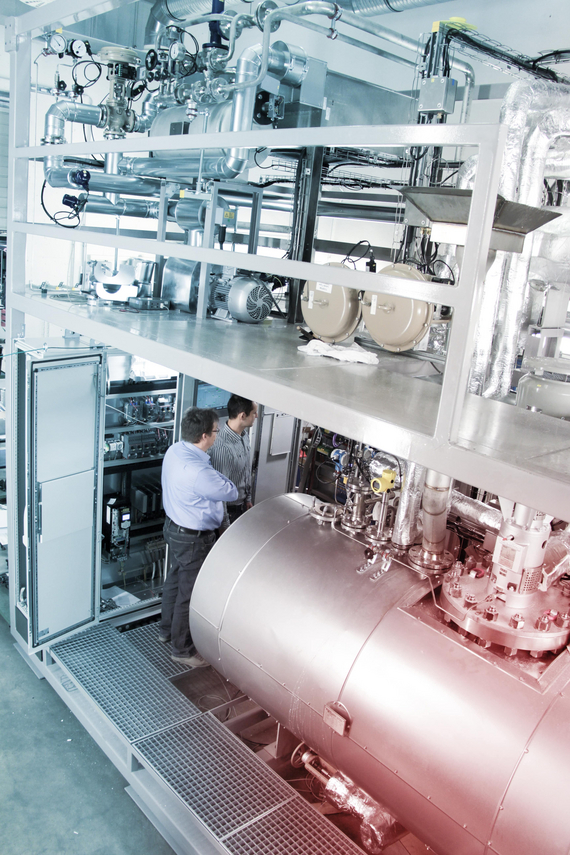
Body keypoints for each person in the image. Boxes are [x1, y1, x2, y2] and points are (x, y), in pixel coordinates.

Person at [160, 406, 238, 667]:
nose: (217, 436)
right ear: (204, 436)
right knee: (189, 592)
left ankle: (166, 630)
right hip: (193, 538)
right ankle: (182, 650)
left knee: (174, 579)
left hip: (173, 529)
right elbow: (231, 492)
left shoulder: (175, 451)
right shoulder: (200, 473)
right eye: (216, 432)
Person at [209, 395, 258, 529]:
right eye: (254, 413)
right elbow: (220, 492)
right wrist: (224, 525)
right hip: (229, 512)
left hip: (241, 505)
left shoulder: (244, 435)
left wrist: (247, 499)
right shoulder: (222, 446)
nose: (257, 416)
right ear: (242, 416)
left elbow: (245, 470)